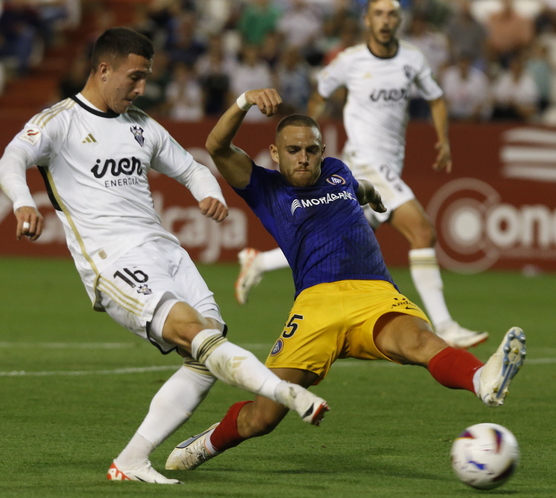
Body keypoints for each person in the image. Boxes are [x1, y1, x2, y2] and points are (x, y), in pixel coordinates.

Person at [0, 28, 330, 485]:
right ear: (103, 69)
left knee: (206, 348)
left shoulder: (140, 124)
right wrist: (23, 203)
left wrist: (207, 193)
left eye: (146, 79)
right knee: (195, 336)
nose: (140, 89)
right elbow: (12, 157)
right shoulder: (60, 121)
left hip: (164, 249)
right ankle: (285, 393)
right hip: (112, 260)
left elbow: (190, 166)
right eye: (134, 78)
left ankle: (131, 461)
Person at [163, 88, 526, 473]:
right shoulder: (265, 187)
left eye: (311, 150)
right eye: (293, 150)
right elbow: (216, 147)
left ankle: (481, 379)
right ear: (275, 153)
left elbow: (356, 188)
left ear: (322, 151)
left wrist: (372, 196)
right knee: (263, 418)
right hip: (315, 305)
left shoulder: (337, 170)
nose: (303, 157)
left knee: (421, 341)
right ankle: (204, 445)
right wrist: (243, 102)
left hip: (374, 292)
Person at [235, 0, 488, 350]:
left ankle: (259, 261)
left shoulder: (412, 59)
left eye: (392, 14)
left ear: (399, 20)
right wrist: (310, 138)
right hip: (367, 163)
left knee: (344, 236)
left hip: (389, 164)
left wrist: (443, 139)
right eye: (379, 14)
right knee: (422, 233)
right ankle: (445, 326)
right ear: (367, 20)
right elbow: (319, 95)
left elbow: (437, 99)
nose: (385, 20)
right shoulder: (349, 61)